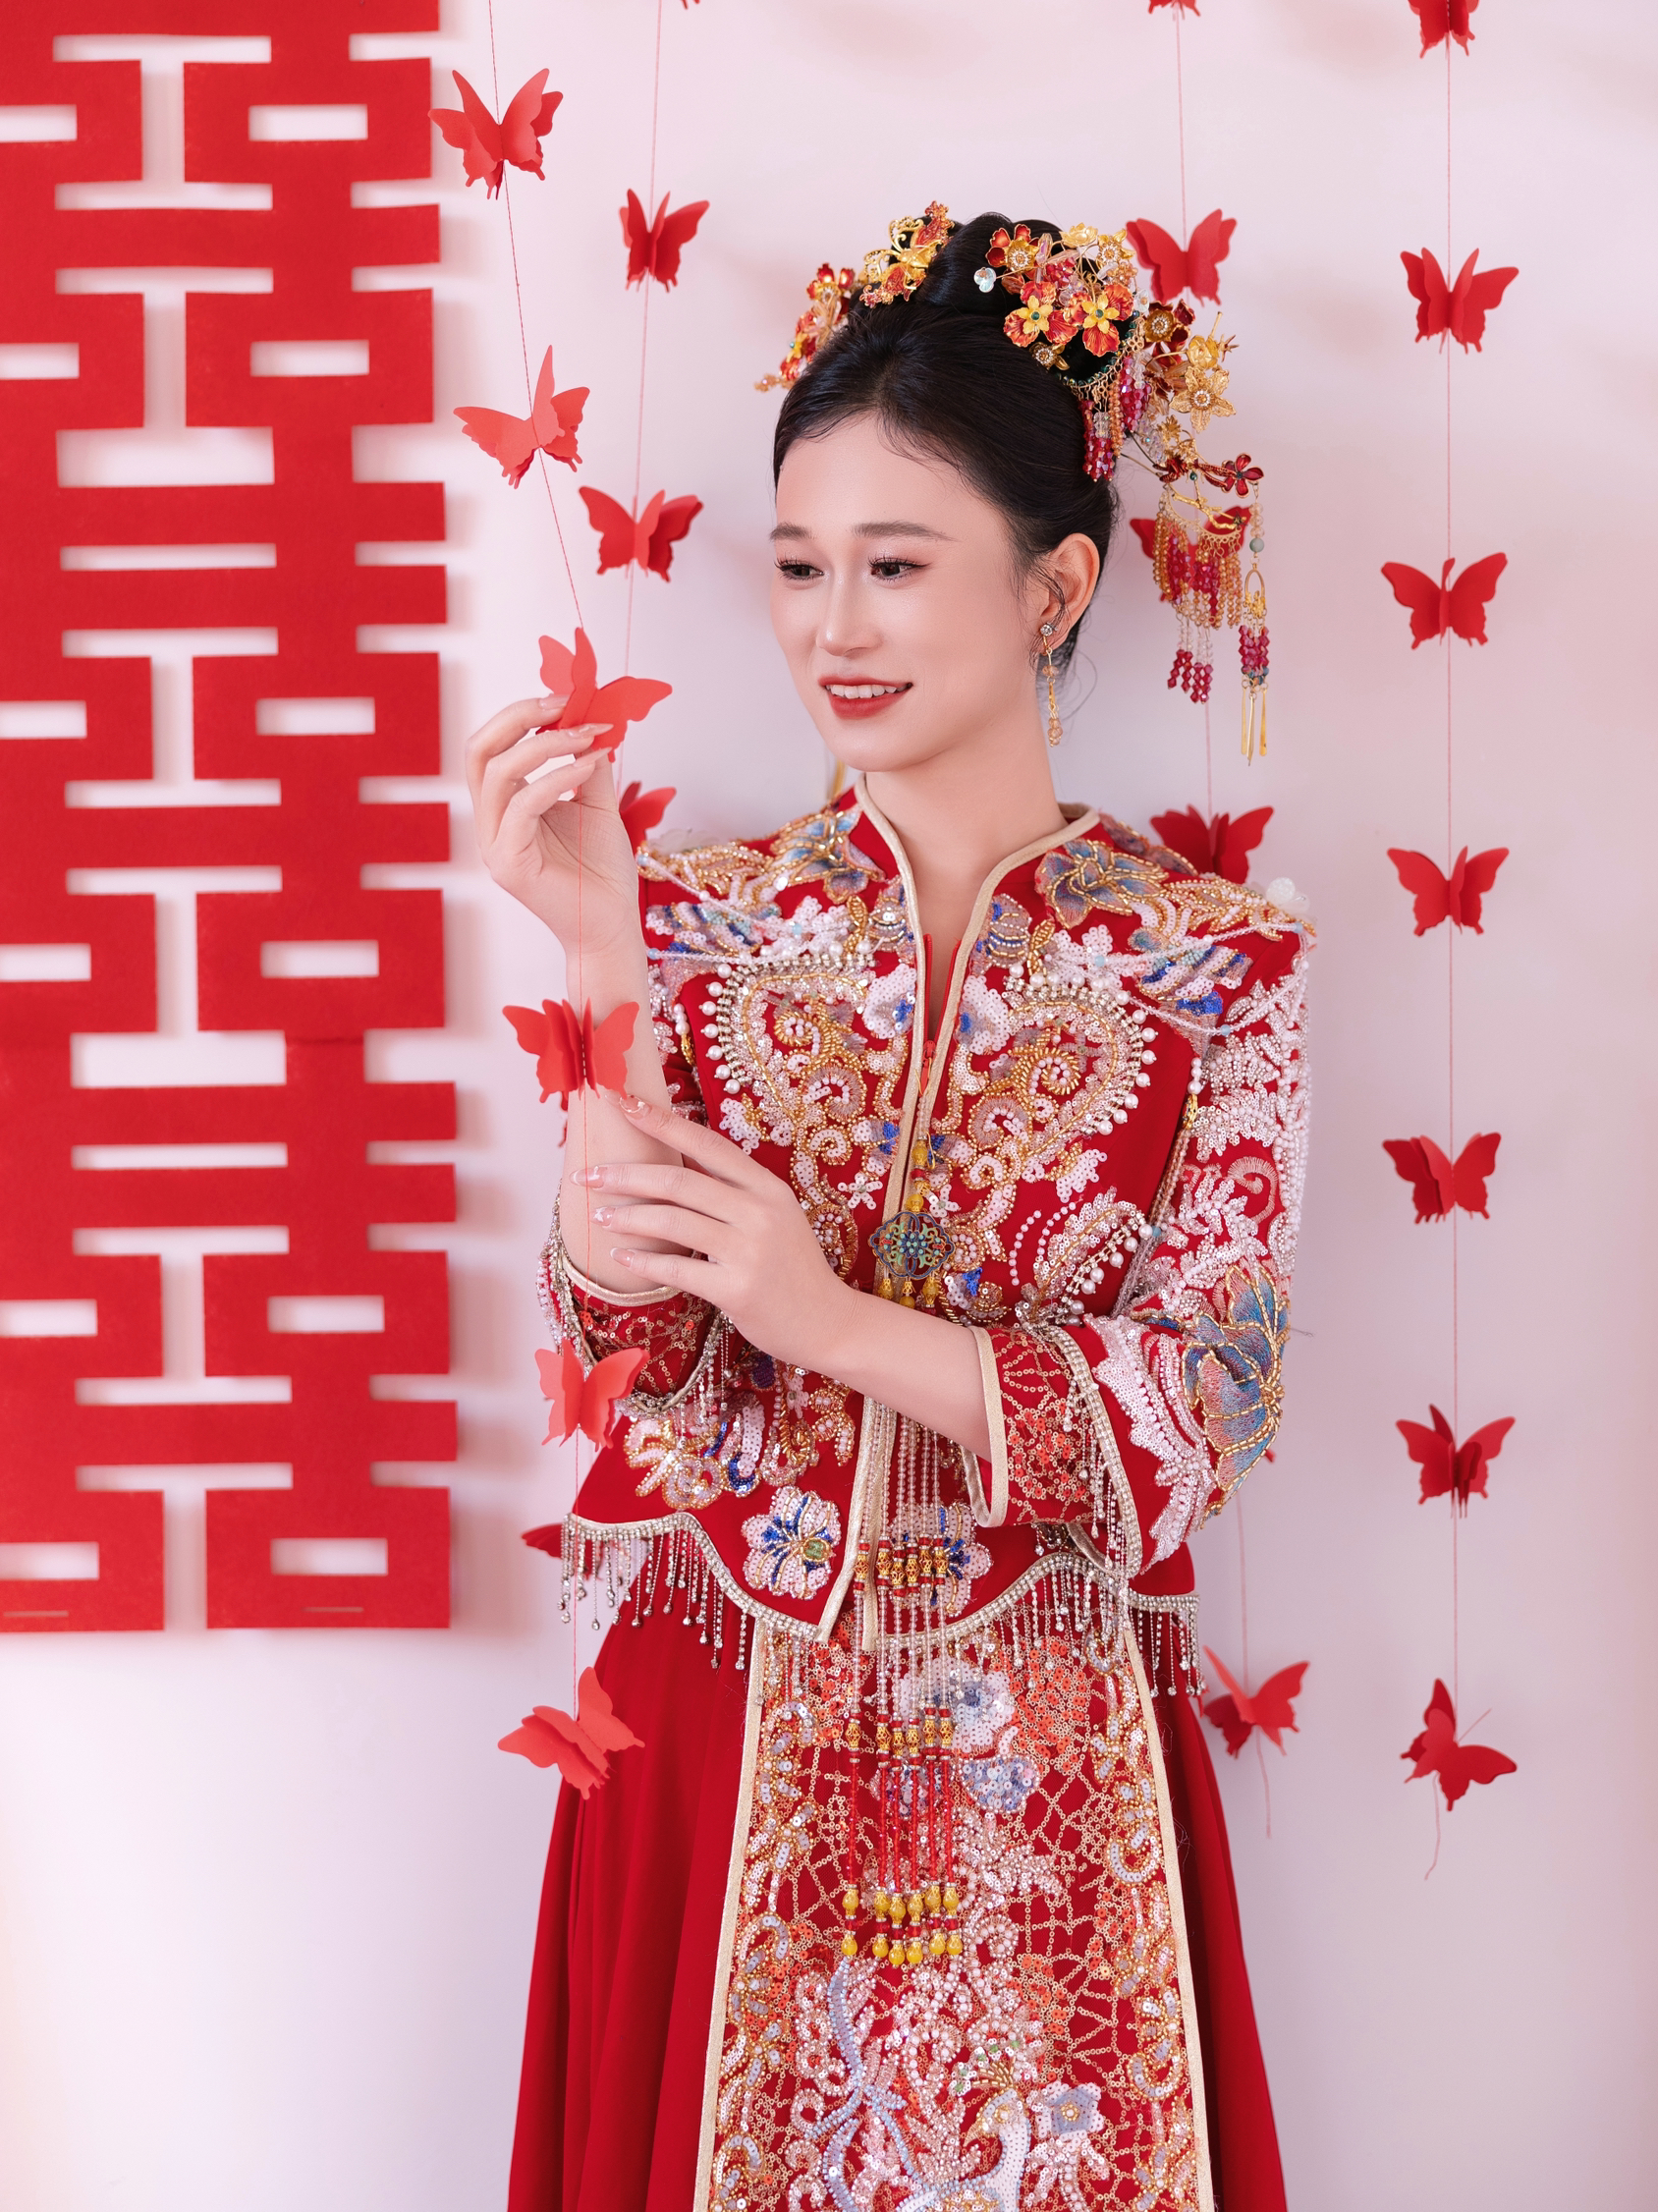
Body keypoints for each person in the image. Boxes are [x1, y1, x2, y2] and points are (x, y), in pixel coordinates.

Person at [470, 206, 1309, 2212]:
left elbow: (1198, 1417)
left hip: (1048, 1752)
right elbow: (625, 1351)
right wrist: (599, 958)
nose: (832, 625)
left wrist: (829, 1319)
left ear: (1055, 585)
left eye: (897, 563)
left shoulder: (1215, 967)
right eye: (798, 564)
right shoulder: (692, 923)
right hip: (717, 1717)